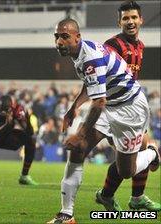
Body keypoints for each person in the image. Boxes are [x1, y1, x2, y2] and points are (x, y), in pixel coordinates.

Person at [47, 18, 159, 224]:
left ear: (77, 37)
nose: (59, 42)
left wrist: (79, 133)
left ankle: (152, 153)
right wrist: (74, 108)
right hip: (109, 104)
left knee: (127, 171)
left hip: (129, 108)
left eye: (64, 37)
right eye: (57, 37)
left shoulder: (91, 59)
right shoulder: (80, 53)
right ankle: (66, 214)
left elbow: (98, 102)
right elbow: (92, 84)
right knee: (78, 149)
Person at [95, 1, 161, 212]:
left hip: (131, 110)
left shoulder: (139, 46)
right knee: (129, 160)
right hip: (113, 111)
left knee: (137, 150)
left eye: (134, 17)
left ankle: (135, 198)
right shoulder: (112, 46)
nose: (130, 21)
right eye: (126, 18)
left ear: (141, 19)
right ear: (119, 21)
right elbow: (99, 78)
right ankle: (106, 196)